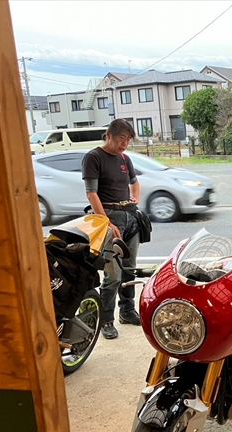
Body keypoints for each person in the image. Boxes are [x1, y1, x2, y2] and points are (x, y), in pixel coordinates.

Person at [82, 119, 142, 339]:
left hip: (130, 217)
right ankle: (106, 319)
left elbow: (135, 183)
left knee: (129, 269)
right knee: (113, 274)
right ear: (109, 135)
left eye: (128, 139)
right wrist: (107, 223)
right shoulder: (93, 157)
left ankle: (127, 311)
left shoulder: (125, 159)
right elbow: (91, 193)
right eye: (121, 138)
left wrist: (135, 198)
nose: (124, 143)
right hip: (107, 218)